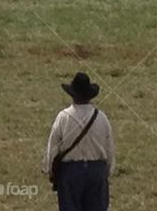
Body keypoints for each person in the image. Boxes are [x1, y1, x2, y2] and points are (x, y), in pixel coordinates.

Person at [42, 72, 114, 211]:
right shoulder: (102, 118)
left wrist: (51, 171)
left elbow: (53, 149)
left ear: (73, 95)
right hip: (96, 171)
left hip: (70, 173)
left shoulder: (63, 117)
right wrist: (104, 173)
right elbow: (109, 150)